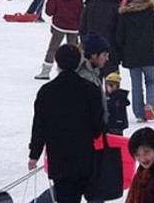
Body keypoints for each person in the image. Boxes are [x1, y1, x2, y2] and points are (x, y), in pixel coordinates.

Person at [28, 44, 104, 203]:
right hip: (86, 158)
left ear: (57, 63)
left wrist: (34, 154)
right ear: (78, 63)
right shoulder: (90, 89)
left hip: (59, 159)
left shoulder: (47, 91)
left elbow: (39, 126)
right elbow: (99, 126)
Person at [116, 0, 154, 122]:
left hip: (131, 55)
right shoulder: (151, 13)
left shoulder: (124, 15)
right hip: (149, 53)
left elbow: (120, 37)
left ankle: (139, 114)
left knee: (136, 84)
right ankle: (149, 104)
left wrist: (123, 50)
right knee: (150, 81)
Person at [35, 0, 83, 79]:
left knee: (53, 48)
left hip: (59, 26)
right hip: (74, 27)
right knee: (74, 50)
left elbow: (49, 12)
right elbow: (81, 13)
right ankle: (77, 71)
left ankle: (45, 71)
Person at [80, 0, 120, 75]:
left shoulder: (89, 6)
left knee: (92, 84)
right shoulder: (116, 7)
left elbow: (82, 28)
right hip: (112, 51)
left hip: (92, 53)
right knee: (112, 84)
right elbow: (120, 31)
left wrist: (85, 44)